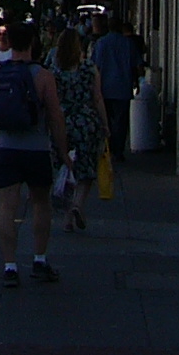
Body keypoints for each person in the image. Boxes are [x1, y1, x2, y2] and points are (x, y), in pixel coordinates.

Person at [0, 21, 68, 286]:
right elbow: (55, 117)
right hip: (36, 150)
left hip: (6, 149)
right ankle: (39, 259)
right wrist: (63, 152)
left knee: (7, 206)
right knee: (40, 203)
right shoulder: (43, 76)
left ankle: (10, 266)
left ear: (10, 44)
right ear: (33, 43)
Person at [50, 28, 106, 232]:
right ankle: (77, 204)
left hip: (62, 121)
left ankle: (67, 217)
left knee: (66, 168)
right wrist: (105, 124)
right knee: (87, 168)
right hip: (86, 121)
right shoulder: (89, 68)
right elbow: (97, 97)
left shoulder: (54, 71)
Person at [92, 12, 144, 164]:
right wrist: (137, 81)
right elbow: (138, 66)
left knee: (105, 120)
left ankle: (108, 148)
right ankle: (118, 151)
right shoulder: (128, 44)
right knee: (121, 122)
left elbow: (95, 66)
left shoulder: (101, 43)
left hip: (104, 88)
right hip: (123, 87)